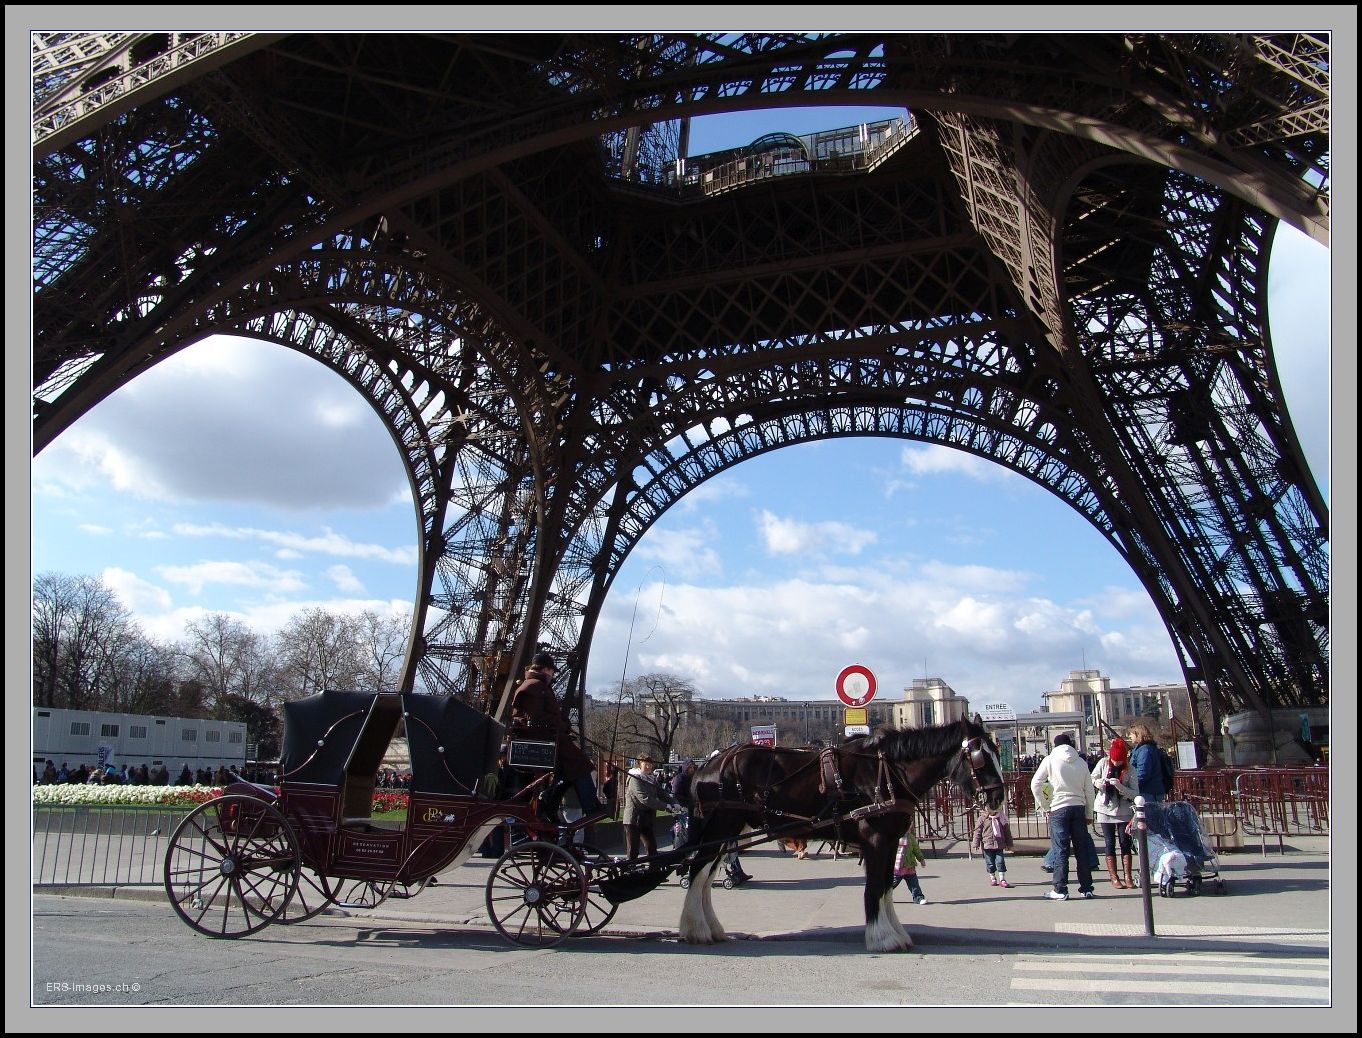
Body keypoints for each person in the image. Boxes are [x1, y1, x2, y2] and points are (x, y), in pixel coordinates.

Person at [509, 651, 604, 823]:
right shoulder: (533, 687)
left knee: (570, 771)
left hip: (549, 737)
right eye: (552, 671)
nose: (553, 674)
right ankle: (590, 806)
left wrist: (562, 724)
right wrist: (563, 725)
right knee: (581, 764)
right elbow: (537, 718)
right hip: (547, 739)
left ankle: (550, 802)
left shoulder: (535, 686)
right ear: (545, 669)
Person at [1030, 732, 1096, 901]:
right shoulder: (1081, 762)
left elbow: (1036, 783)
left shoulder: (1050, 760)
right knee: (1081, 849)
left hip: (1058, 808)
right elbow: (1089, 790)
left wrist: (1045, 805)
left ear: (1055, 745)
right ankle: (1086, 888)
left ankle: (1061, 889)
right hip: (1078, 807)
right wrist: (1089, 813)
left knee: (1061, 850)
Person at [1092, 736, 1140, 889]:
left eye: (1119, 760)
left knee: (1125, 843)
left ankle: (1128, 875)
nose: (1116, 763)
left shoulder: (1130, 769)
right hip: (1105, 808)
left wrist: (1120, 787)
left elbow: (1135, 793)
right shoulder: (1103, 763)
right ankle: (1113, 876)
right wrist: (1098, 783)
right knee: (1109, 843)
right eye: (1113, 759)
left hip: (1124, 810)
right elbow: (1092, 777)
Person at [621, 756, 672, 860]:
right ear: (639, 764)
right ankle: (630, 872)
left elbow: (663, 794)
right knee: (633, 851)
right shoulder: (634, 778)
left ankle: (653, 871)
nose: (649, 766)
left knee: (652, 847)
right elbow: (644, 798)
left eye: (650, 764)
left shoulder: (651, 779)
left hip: (646, 818)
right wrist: (665, 806)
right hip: (633, 819)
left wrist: (674, 803)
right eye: (646, 764)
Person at [971, 805, 1013, 888]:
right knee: (990, 863)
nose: (991, 809)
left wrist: (1009, 844)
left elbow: (1007, 832)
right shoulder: (982, 818)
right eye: (988, 807)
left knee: (1000, 862)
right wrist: (976, 843)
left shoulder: (1001, 817)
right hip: (987, 845)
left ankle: (1002, 879)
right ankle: (993, 877)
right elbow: (977, 832)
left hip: (999, 844)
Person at [1127, 723, 1169, 803]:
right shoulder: (1147, 748)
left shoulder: (1144, 751)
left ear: (1138, 734)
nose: (1129, 736)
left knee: (1148, 814)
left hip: (1148, 792)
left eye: (1131, 734)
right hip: (1150, 790)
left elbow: (1143, 773)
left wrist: (1132, 786)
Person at [893, 825, 929, 904]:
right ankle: (882, 897)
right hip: (898, 867)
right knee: (892, 884)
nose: (909, 829)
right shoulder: (894, 837)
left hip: (910, 866)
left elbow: (916, 849)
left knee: (914, 884)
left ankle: (918, 898)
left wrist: (921, 859)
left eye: (909, 827)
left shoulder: (911, 838)